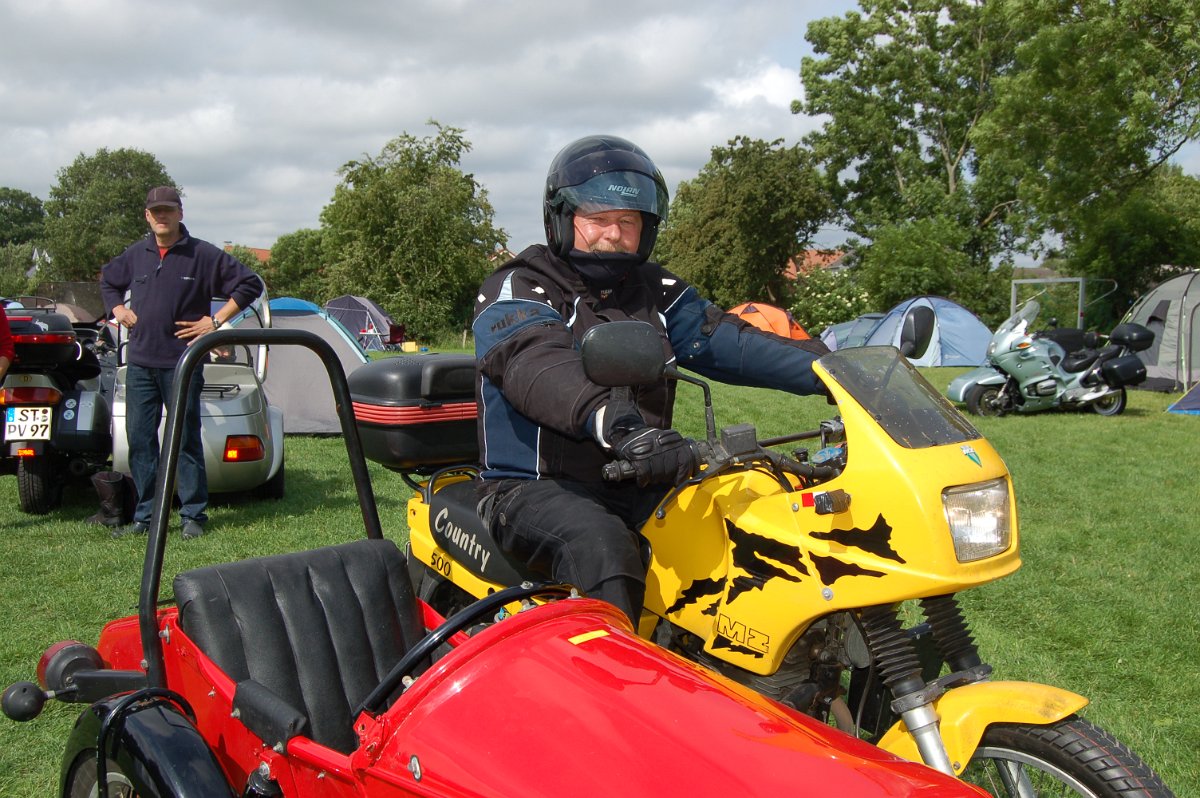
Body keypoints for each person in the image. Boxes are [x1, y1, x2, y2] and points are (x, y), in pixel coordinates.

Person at [473, 135, 831, 625]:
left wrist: (833, 371)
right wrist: (617, 424)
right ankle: (605, 693)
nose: (614, 234)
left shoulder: (655, 289)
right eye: (597, 220)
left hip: (643, 475)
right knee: (603, 549)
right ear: (562, 218)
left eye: (627, 221)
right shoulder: (518, 287)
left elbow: (726, 341)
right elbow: (535, 364)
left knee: (760, 524)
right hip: (534, 489)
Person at [100, 186, 263, 539]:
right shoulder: (136, 254)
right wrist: (118, 308)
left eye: (168, 210)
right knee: (141, 440)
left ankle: (193, 516)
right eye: (155, 211)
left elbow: (249, 284)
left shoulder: (203, 254)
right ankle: (146, 517)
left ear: (180, 214)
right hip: (140, 363)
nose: (162, 216)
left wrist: (215, 321)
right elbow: (108, 281)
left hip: (183, 362)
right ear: (147, 216)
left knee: (185, 438)